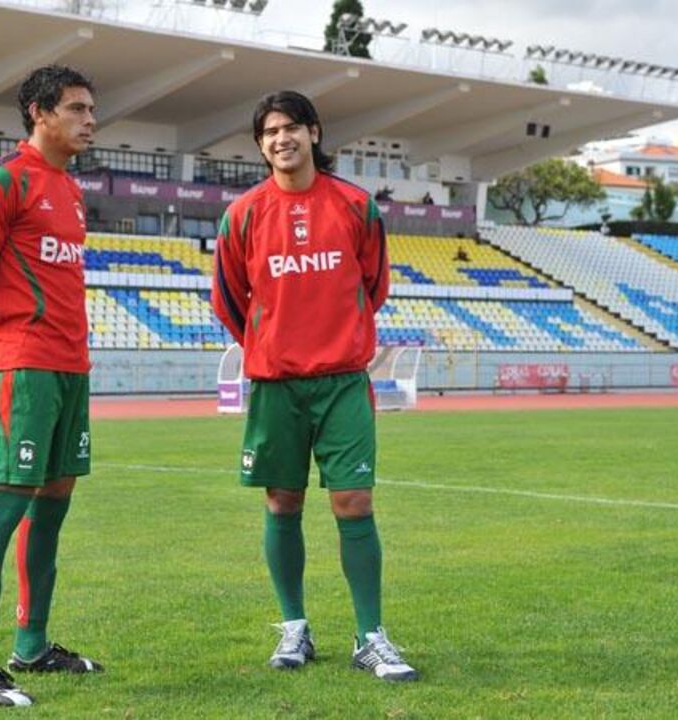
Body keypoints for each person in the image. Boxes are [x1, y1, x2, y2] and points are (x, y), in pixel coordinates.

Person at [211, 90, 419, 683]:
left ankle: (371, 636)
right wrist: (271, 342)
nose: (283, 138)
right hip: (277, 384)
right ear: (261, 144)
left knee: (354, 502)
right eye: (271, 131)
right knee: (282, 502)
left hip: (343, 383)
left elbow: (373, 285)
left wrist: (336, 334)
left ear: (315, 133)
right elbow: (229, 299)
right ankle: (295, 627)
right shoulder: (243, 214)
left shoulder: (356, 207)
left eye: (293, 127)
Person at [0, 64, 102, 707]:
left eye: (91, 110)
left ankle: (32, 644)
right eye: (76, 109)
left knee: (53, 507)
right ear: (39, 113)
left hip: (72, 367)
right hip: (23, 362)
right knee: (5, 502)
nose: (89, 121)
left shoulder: (68, 190)